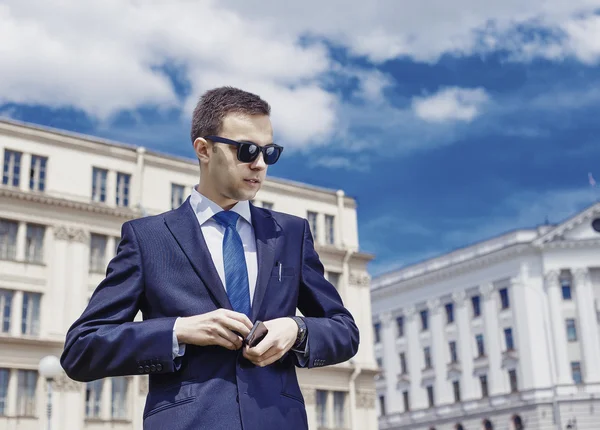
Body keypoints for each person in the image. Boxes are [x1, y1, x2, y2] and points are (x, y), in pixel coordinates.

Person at [60, 86, 360, 430]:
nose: (259, 164)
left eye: (269, 152)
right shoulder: (148, 239)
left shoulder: (290, 234)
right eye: (246, 150)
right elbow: (81, 350)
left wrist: (296, 328)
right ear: (204, 149)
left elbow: (344, 330)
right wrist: (179, 330)